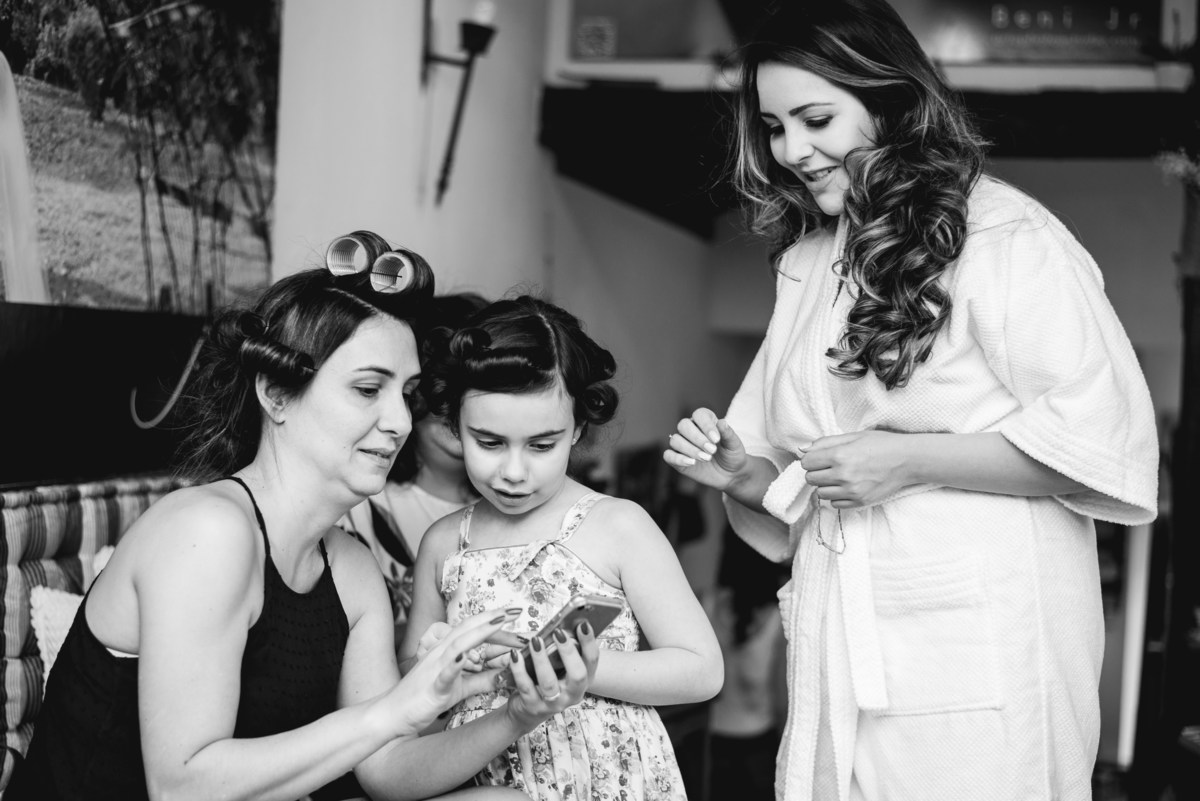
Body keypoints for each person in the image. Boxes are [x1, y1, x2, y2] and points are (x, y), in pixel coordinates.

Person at [663, 2, 1160, 799]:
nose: (792, 150)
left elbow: (1100, 445)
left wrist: (910, 460)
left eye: (816, 119)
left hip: (981, 641)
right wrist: (744, 473)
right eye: (774, 127)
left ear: (888, 101)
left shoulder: (1005, 235)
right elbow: (810, 477)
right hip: (844, 642)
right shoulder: (808, 264)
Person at [7, 234, 599, 801]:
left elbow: (385, 771)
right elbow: (181, 787)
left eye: (407, 393)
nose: (400, 421)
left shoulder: (351, 569)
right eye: (368, 389)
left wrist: (516, 714)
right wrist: (389, 712)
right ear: (275, 393)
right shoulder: (206, 531)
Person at [403, 296, 724, 800]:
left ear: (577, 428)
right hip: (485, 778)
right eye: (488, 442)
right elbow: (410, 682)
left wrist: (579, 667)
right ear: (453, 426)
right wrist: (440, 662)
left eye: (541, 445)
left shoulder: (619, 526)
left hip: (607, 777)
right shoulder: (444, 543)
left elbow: (701, 670)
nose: (513, 472)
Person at [339, 291, 489, 660]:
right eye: (441, 388)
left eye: (480, 388)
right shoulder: (356, 504)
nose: (458, 410)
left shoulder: (519, 506)